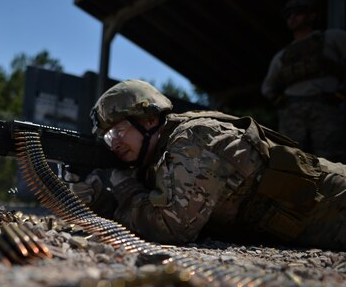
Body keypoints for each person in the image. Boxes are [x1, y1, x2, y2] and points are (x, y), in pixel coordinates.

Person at [69, 79, 346, 250]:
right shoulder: (155, 157)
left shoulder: (194, 140)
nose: (113, 142)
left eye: (118, 130)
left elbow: (171, 227)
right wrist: (98, 200)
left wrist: (125, 188)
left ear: (150, 120)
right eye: (107, 136)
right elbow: (148, 210)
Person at [261, 0, 346, 163]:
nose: (292, 18)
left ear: (312, 16)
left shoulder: (332, 38)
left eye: (298, 13)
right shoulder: (282, 55)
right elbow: (268, 87)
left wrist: (340, 95)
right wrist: (282, 103)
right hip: (293, 112)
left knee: (331, 160)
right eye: (288, 15)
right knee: (291, 159)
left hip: (326, 107)